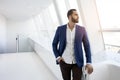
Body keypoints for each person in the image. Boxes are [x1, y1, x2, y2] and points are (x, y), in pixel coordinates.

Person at [52, 9, 93, 80]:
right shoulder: (60, 29)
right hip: (64, 62)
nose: (78, 16)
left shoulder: (82, 29)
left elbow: (87, 46)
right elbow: (54, 44)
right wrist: (58, 57)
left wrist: (89, 62)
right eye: (76, 14)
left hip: (77, 63)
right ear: (70, 16)